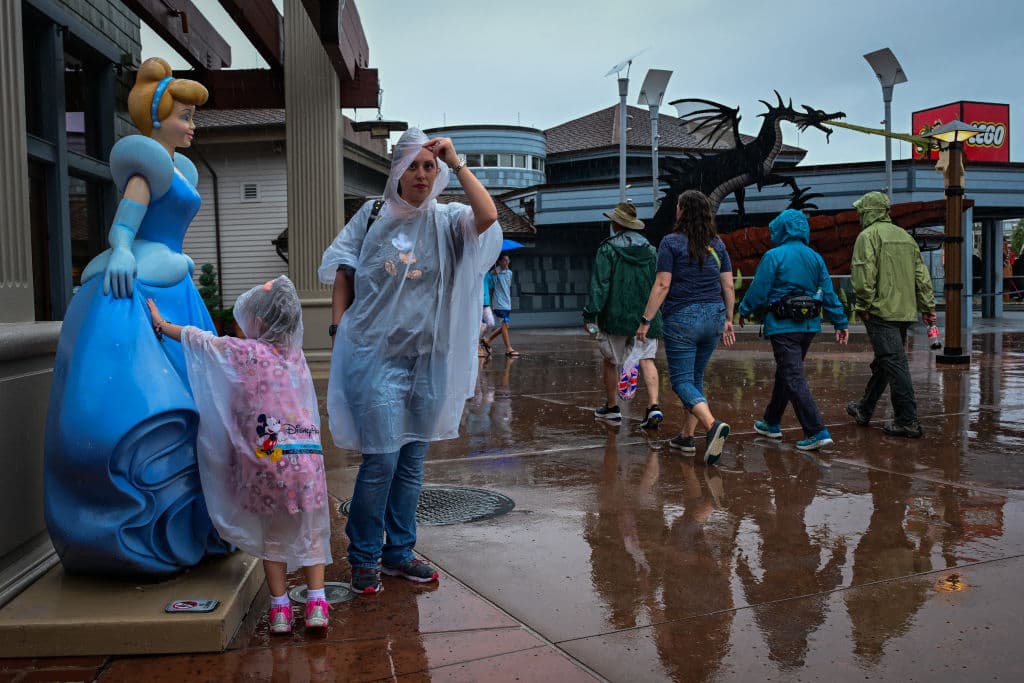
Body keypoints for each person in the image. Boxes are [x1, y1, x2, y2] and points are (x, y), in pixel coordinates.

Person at [44, 57, 228, 575]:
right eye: (185, 117)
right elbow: (125, 226)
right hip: (144, 282)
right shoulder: (147, 166)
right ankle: (140, 530)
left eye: (194, 117)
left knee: (198, 394)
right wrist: (121, 251)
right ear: (157, 117)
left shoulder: (180, 168)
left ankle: (193, 524)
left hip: (176, 286)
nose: (191, 126)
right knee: (151, 396)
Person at [319, 128, 501, 594]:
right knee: (380, 460)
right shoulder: (372, 215)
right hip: (375, 357)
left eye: (429, 166)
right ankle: (363, 556)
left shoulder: (449, 220)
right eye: (412, 166)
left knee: (412, 461)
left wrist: (457, 162)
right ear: (396, 171)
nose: (421, 174)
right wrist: (339, 331)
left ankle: (398, 552)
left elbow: (489, 215)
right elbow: (343, 271)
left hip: (428, 360)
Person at [147, 276, 331, 634]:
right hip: (306, 463)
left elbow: (201, 342)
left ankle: (280, 612)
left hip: (267, 466)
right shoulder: (297, 358)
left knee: (273, 538)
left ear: (258, 323)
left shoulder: (246, 353)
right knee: (310, 534)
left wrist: (161, 324)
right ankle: (317, 604)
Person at [737, 209, 850, 451]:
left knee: (793, 376)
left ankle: (816, 430)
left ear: (780, 229)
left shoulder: (773, 255)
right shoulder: (815, 257)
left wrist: (743, 310)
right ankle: (771, 422)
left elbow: (760, 288)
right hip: (808, 325)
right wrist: (840, 322)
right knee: (787, 373)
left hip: (782, 325)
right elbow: (828, 292)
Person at [637, 190, 735, 465]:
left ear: (682, 211)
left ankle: (712, 425)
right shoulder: (718, 244)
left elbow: (662, 284)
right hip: (715, 316)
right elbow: (727, 284)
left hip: (683, 318)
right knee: (696, 377)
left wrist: (646, 320)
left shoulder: (670, 243)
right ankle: (686, 437)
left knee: (681, 381)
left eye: (678, 206)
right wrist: (728, 318)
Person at [847, 191, 937, 438]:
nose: (858, 215)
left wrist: (863, 306)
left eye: (861, 211)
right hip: (904, 311)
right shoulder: (905, 238)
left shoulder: (868, 237)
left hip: (880, 312)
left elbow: (864, 276)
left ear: (869, 211)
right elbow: (922, 276)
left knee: (894, 363)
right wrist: (927, 306)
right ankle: (864, 408)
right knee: (887, 362)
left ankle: (907, 420)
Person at [582, 201, 664, 428]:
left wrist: (590, 314)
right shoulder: (650, 250)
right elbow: (659, 284)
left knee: (610, 361)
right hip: (645, 318)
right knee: (647, 359)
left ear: (617, 224)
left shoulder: (607, 249)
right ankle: (653, 406)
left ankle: (612, 408)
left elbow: (601, 285)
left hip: (615, 317)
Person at [485, 254, 519, 356]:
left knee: (505, 326)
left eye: (508, 260)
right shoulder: (494, 272)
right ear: (499, 262)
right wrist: (494, 275)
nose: (507, 262)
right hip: (498, 303)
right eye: (504, 260)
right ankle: (508, 348)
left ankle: (488, 339)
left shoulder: (510, 273)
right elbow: (491, 287)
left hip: (507, 303)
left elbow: (506, 288)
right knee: (504, 324)